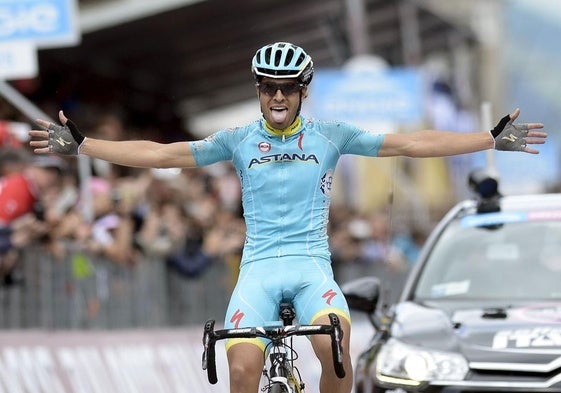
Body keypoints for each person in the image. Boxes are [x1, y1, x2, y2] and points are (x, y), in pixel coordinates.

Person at [29, 42, 547, 393]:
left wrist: (489, 139)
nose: (278, 96)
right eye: (268, 87)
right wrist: (83, 146)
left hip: (310, 268)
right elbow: (162, 155)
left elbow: (412, 143)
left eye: (288, 86)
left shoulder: (331, 134)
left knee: (336, 343)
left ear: (304, 90)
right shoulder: (234, 140)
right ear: (258, 90)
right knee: (241, 365)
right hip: (257, 268)